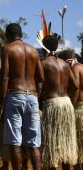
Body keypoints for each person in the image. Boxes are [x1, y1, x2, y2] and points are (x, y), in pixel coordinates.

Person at [0, 23, 44, 170]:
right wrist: (36, 96)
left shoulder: (7, 49)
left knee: (14, 141)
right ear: (21, 34)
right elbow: (41, 79)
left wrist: (1, 103)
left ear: (8, 36)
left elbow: (4, 77)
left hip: (15, 95)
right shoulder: (33, 51)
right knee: (33, 143)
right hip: (32, 95)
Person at [40, 35, 78, 169]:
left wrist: (39, 101)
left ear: (44, 47)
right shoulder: (65, 65)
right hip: (67, 104)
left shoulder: (43, 63)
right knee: (66, 143)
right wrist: (71, 101)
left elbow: (39, 87)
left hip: (52, 104)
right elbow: (75, 86)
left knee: (52, 145)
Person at [66, 53, 83, 170]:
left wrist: (71, 105)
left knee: (76, 143)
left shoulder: (76, 68)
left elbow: (76, 88)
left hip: (78, 108)